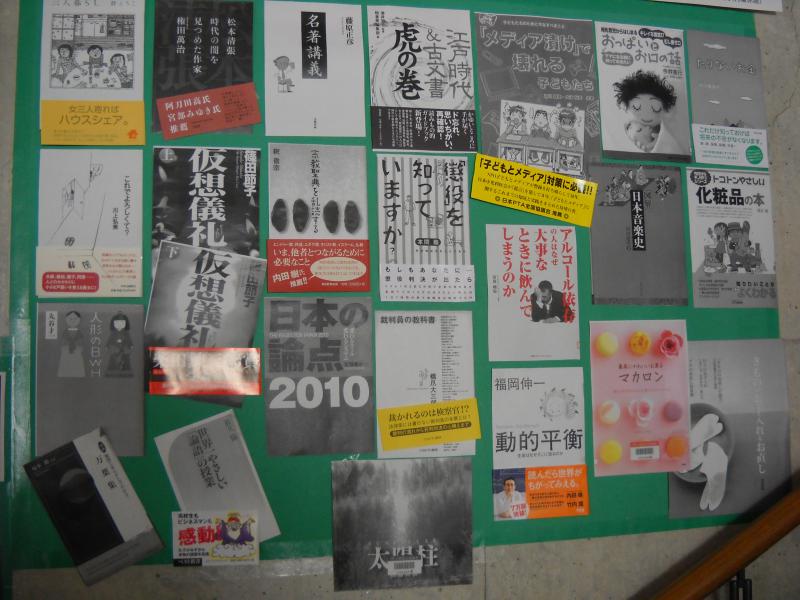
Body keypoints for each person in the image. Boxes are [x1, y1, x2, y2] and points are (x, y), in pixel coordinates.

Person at [612, 70, 682, 154]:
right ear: (626, 106)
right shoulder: (626, 127)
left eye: (655, 108)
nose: (646, 115)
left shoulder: (665, 136)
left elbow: (671, 149)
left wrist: (658, 143)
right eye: (637, 107)